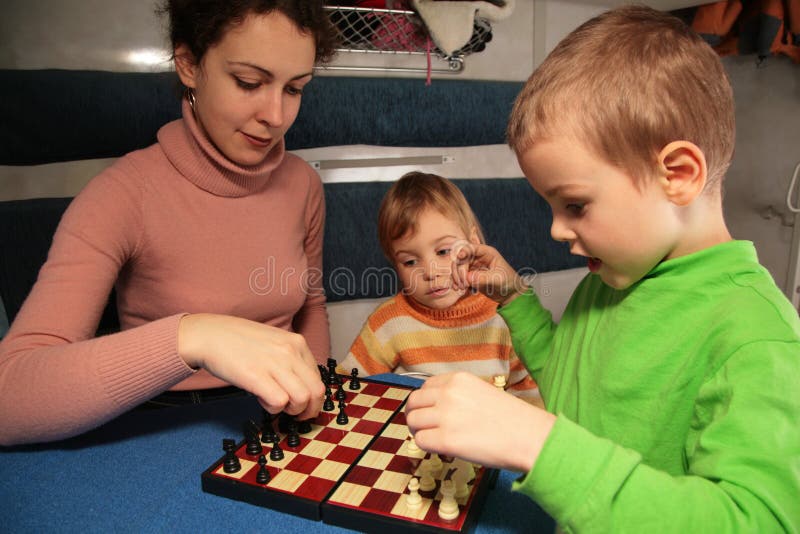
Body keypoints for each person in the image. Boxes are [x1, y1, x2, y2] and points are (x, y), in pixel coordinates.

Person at [405, 6, 800, 532]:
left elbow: (757, 521)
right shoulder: (613, 278)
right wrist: (516, 300)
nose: (556, 231)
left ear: (678, 175)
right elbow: (573, 389)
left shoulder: (756, 339)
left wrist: (536, 443)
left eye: (575, 205)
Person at [0, 0, 339, 446]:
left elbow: (310, 305)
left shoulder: (304, 186)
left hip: (274, 425)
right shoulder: (120, 193)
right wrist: (193, 335)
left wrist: (310, 398)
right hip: (161, 427)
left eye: (295, 89)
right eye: (248, 82)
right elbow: (10, 397)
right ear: (188, 65)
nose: (276, 117)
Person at [339, 172, 541, 405]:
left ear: (473, 242)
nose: (431, 272)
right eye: (410, 262)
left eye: (443, 251)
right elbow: (351, 389)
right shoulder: (387, 324)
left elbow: (529, 391)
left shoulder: (504, 318)